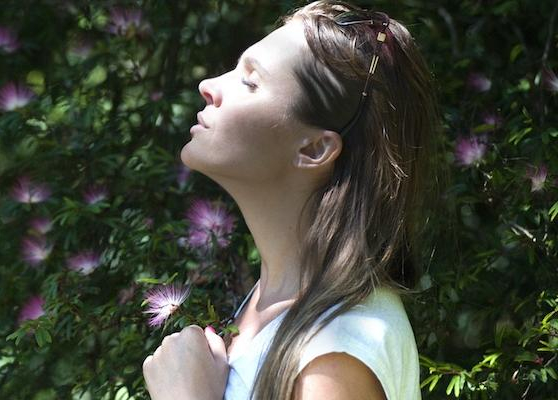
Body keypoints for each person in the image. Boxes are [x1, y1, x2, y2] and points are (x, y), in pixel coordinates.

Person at [142, 0, 442, 399]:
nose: (210, 86)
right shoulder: (276, 306)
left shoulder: (336, 352)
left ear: (315, 149)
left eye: (250, 82)